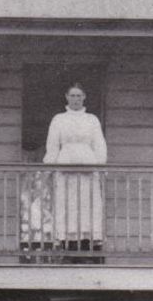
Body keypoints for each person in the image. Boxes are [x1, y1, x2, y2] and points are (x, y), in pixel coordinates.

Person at [43, 83, 108, 260]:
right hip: (65, 170)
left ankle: (88, 248)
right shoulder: (59, 119)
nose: (76, 99)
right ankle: (67, 247)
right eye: (72, 95)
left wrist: (100, 166)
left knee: (87, 206)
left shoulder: (92, 119)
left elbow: (99, 145)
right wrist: (49, 168)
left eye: (79, 96)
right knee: (67, 206)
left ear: (84, 97)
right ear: (66, 97)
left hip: (88, 168)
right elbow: (52, 146)